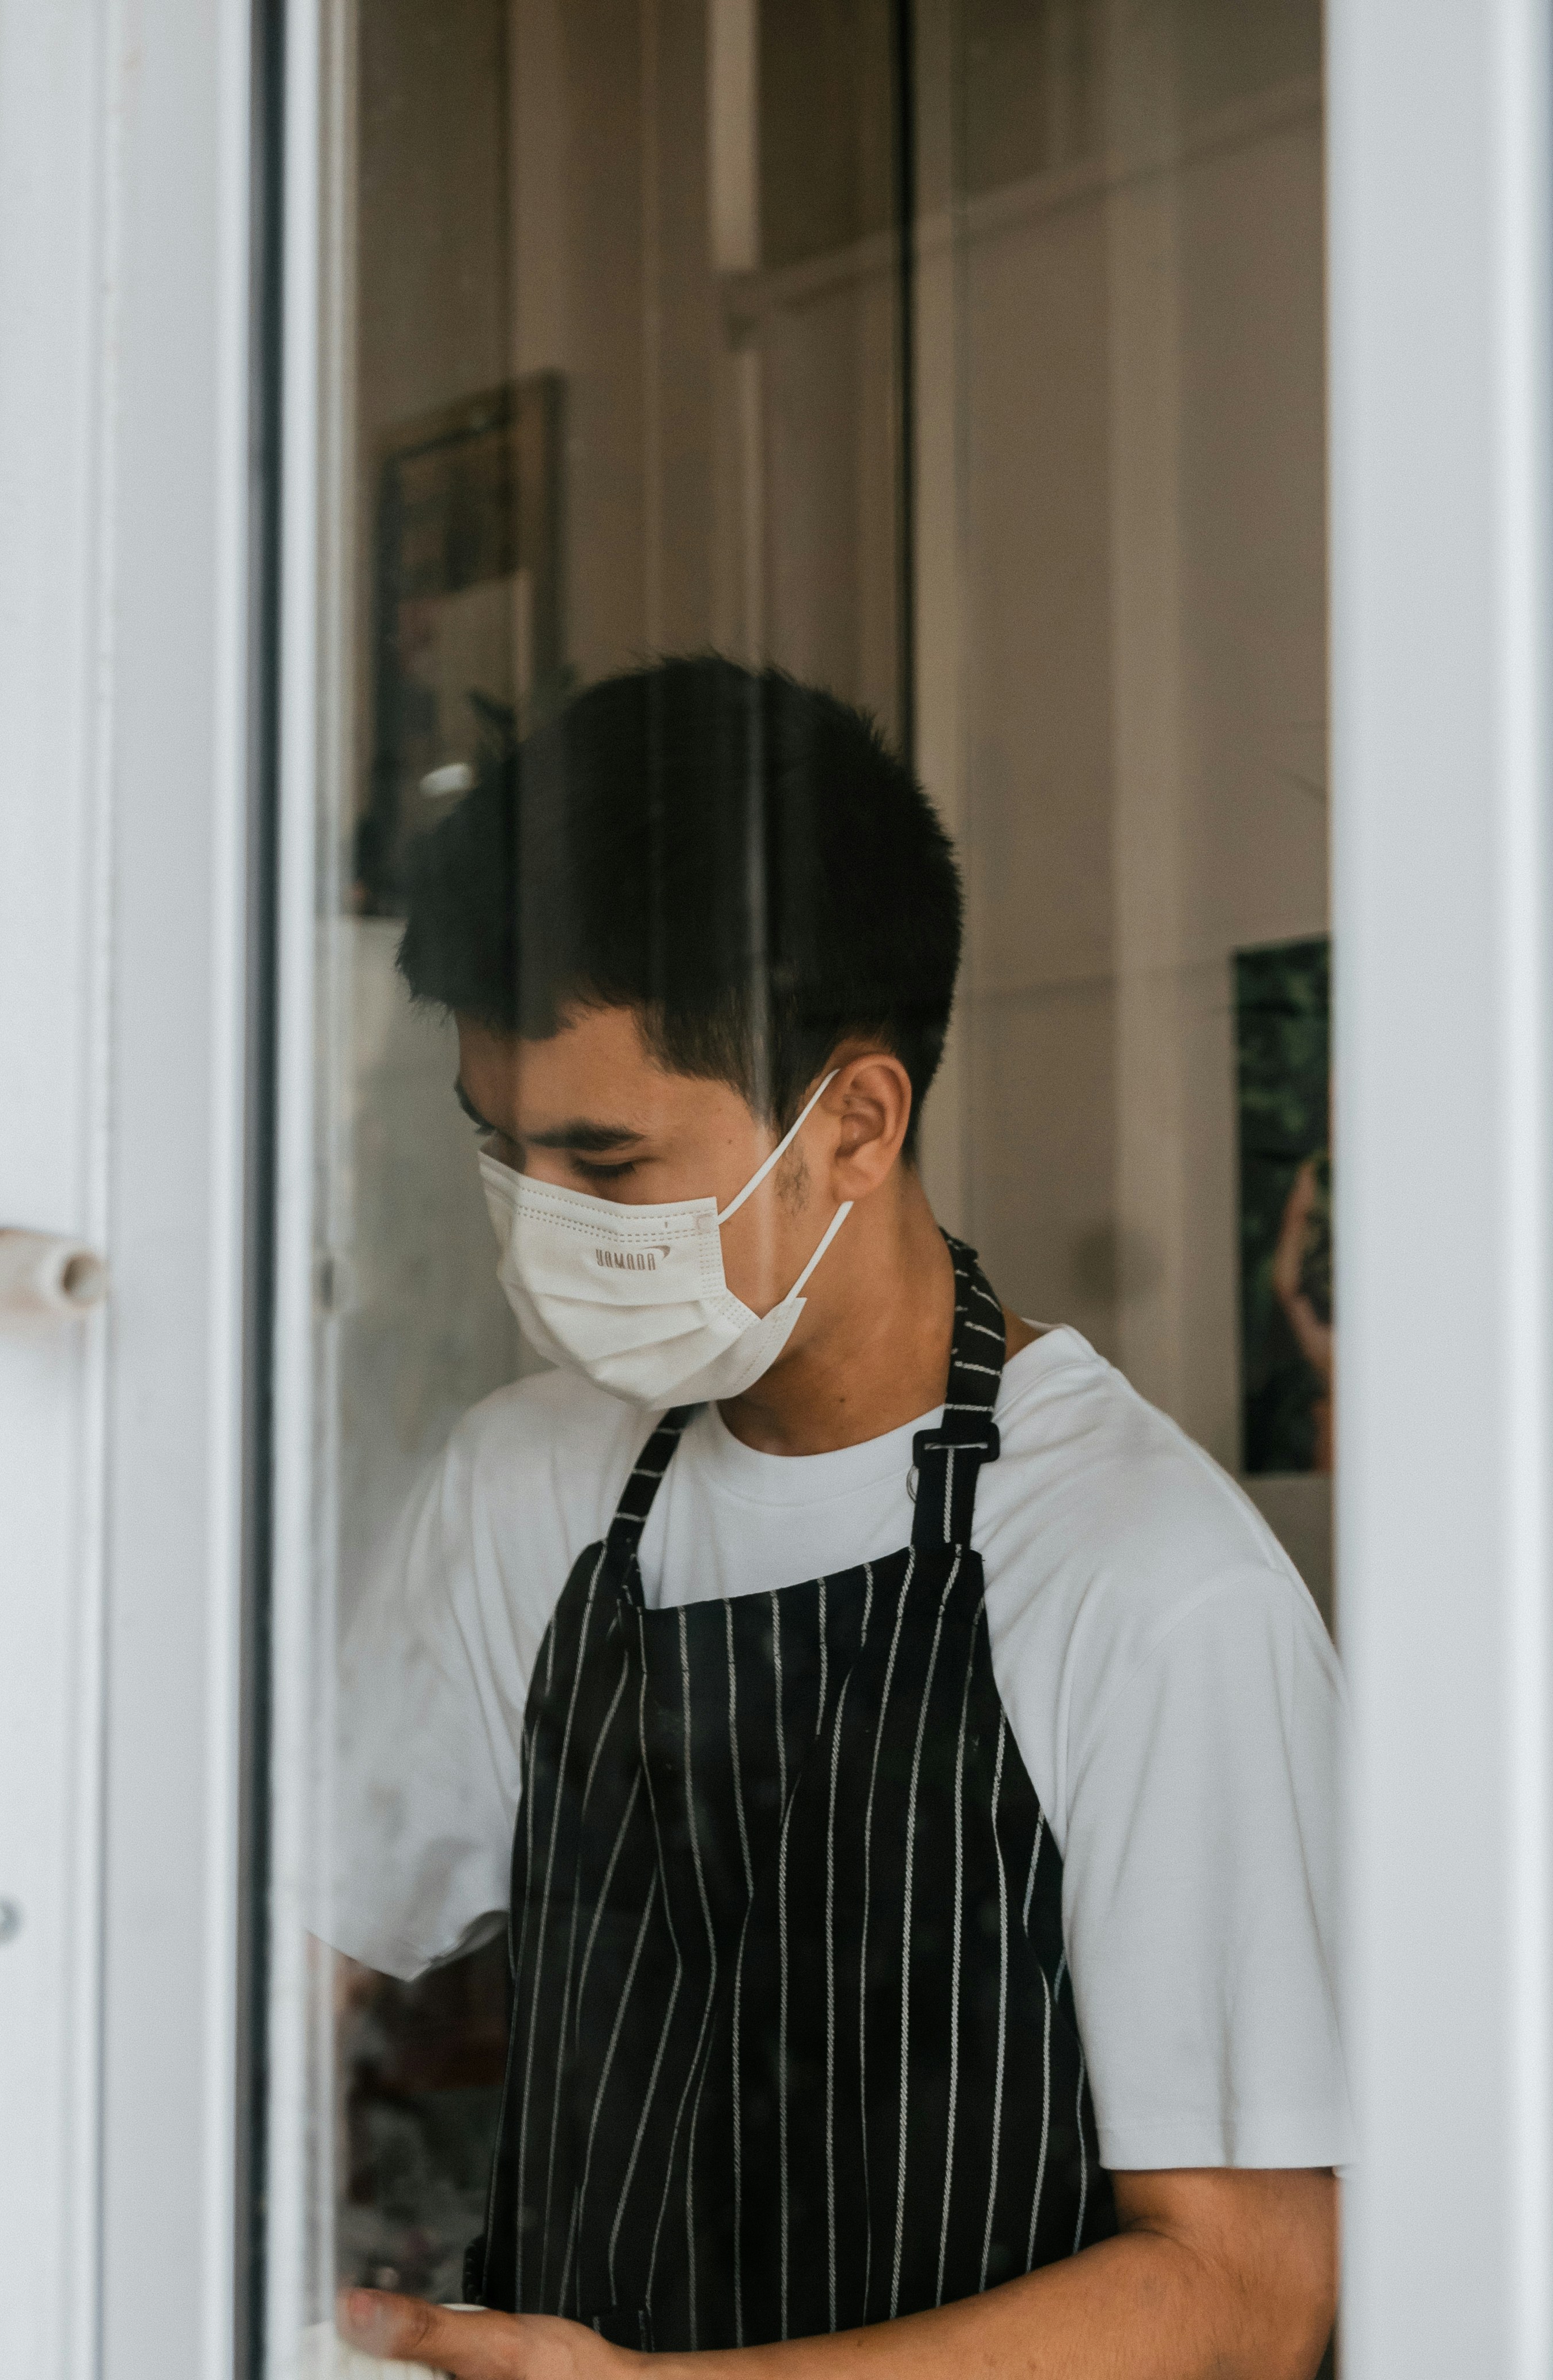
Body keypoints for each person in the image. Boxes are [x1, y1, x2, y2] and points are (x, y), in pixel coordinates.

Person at [327, 657, 1347, 2380]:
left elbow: (1250, 2294)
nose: (535, 1224)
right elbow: (274, 1972)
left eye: (608, 1163)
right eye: (499, 1149)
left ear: (857, 1122)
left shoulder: (1150, 1582)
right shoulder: (526, 1491)